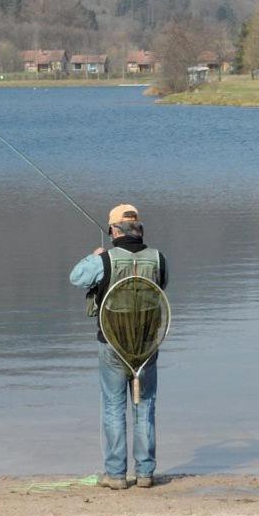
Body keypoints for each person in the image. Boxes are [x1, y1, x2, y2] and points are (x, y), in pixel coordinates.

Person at [70, 204, 168, 490]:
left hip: (111, 343)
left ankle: (115, 475)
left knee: (114, 407)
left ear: (114, 230)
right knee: (145, 405)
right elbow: (162, 285)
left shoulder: (104, 261)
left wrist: (95, 256)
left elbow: (76, 278)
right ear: (138, 229)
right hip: (147, 343)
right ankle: (145, 473)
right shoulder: (159, 258)